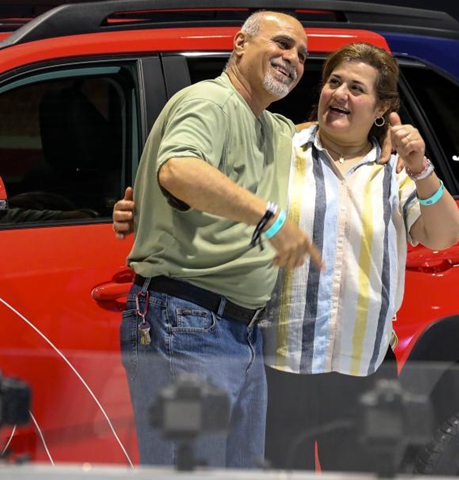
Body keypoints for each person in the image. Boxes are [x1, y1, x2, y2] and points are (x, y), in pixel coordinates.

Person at [114, 43, 459, 472]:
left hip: (364, 368)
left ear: (382, 108)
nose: (340, 94)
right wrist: (145, 209)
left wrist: (422, 166)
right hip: (278, 362)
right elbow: (211, 188)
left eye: (357, 88)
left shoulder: (393, 169)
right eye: (333, 82)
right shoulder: (282, 147)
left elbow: (444, 234)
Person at [120, 11, 322, 469]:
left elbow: (324, 135)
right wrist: (270, 220)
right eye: (284, 44)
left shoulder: (272, 127)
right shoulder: (210, 101)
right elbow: (179, 170)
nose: (293, 59)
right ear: (240, 44)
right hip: (187, 322)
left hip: (239, 332)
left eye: (303, 55)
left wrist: (385, 135)